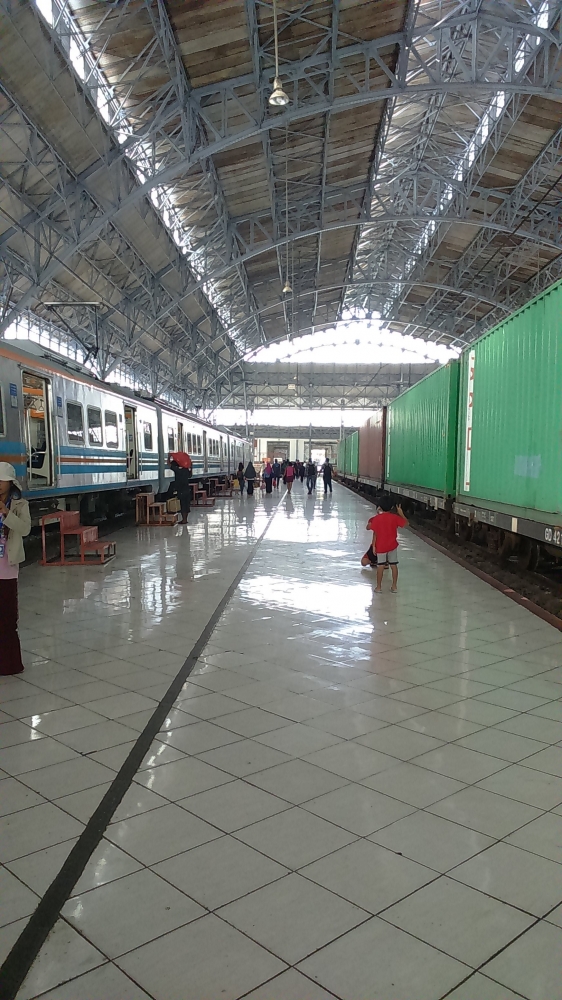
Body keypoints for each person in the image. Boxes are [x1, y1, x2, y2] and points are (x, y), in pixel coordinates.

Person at [0, 462, 31, 675]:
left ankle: (11, 663)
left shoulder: (20, 505)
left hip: (7, 567)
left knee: (8, 617)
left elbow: (25, 528)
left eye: (2, 480)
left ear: (11, 483)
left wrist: (5, 512)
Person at [367, 497, 409, 593]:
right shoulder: (395, 518)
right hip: (392, 545)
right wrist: (401, 513)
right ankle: (394, 587)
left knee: (380, 566)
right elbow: (406, 523)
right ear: (391, 507)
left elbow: (375, 533)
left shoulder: (376, 519)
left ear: (380, 507)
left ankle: (378, 587)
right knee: (393, 565)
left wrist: (374, 545)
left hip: (381, 546)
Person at [168, 456, 192, 524]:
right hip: (187, 489)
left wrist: (169, 456)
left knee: (183, 504)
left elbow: (169, 464)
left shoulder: (177, 470)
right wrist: (191, 466)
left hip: (181, 490)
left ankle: (184, 520)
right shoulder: (186, 470)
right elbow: (190, 475)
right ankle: (185, 519)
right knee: (186, 505)